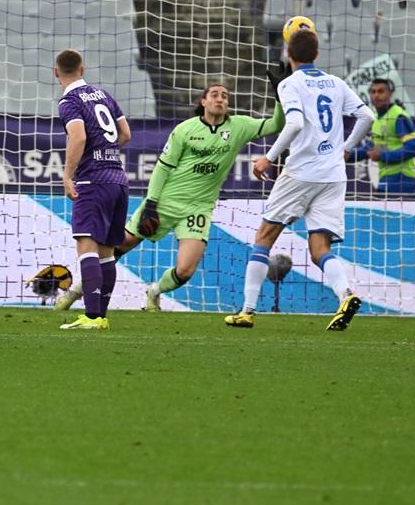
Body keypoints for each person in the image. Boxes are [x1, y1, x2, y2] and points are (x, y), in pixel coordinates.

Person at [56, 83, 286, 312]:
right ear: (203, 102)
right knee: (117, 247)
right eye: (214, 95)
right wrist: (151, 205)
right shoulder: (185, 129)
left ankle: (154, 290)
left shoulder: (240, 126)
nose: (220, 99)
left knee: (185, 271)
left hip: (199, 209)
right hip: (165, 202)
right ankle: (76, 291)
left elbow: (277, 124)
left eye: (225, 96)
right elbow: (162, 168)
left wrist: (279, 96)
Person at [225, 30, 376, 330]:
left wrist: (268, 157)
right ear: (317, 54)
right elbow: (367, 117)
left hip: (301, 172)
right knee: (320, 247)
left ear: (288, 54)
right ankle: (345, 294)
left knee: (264, 238)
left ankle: (247, 310)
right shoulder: (336, 83)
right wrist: (346, 149)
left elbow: (293, 122)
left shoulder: (290, 84)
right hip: (333, 174)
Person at [55, 49, 131, 330]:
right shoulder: (103, 95)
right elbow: (126, 135)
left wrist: (67, 175)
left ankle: (91, 315)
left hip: (93, 181)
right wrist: (106, 153)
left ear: (56, 72)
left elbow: (78, 136)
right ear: (82, 69)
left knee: (86, 244)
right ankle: (100, 318)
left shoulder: (69, 101)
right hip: (118, 181)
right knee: (107, 252)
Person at [347, 78, 415, 193]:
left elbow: (414, 147)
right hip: (385, 177)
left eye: (381, 91)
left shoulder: (398, 116)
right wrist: (347, 155)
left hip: (402, 178)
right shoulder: (375, 118)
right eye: (373, 92)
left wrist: (382, 156)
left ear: (390, 93)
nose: (376, 95)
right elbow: (370, 149)